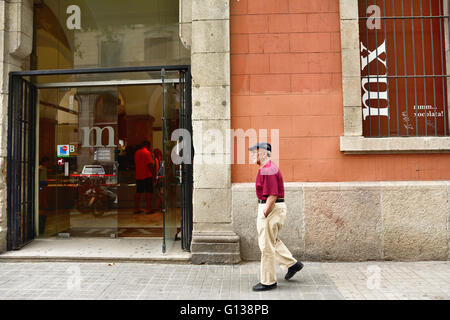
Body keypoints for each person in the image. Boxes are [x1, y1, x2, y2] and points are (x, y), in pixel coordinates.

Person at [249, 142, 303, 291]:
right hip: (270, 207)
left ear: (264, 153)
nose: (251, 155)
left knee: (266, 246)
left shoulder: (269, 170)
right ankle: (292, 264)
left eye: (255, 152)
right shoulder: (265, 168)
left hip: (270, 208)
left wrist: (265, 213)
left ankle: (268, 282)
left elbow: (272, 195)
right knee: (271, 240)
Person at [134, 140, 155, 214]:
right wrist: (154, 175)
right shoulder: (147, 153)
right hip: (147, 175)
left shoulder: (137, 152)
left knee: (138, 191)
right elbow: (150, 165)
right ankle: (148, 208)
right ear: (148, 146)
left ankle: (136, 208)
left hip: (139, 175)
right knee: (148, 192)